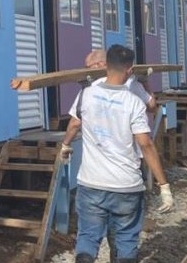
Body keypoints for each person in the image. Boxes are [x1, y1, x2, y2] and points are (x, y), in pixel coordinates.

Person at [62, 45, 173, 263]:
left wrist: (65, 145)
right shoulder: (133, 101)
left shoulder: (86, 94)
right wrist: (164, 186)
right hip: (126, 185)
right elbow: (146, 144)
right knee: (126, 239)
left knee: (88, 237)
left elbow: (74, 124)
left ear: (104, 66)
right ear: (129, 70)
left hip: (91, 182)